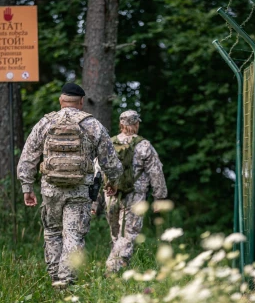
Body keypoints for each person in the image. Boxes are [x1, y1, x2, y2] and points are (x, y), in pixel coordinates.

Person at [17, 83, 123, 288]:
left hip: (50, 189)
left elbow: (28, 156)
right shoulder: (92, 125)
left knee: (53, 233)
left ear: (60, 100)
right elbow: (110, 161)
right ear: (81, 102)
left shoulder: (46, 123)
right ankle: (66, 281)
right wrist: (113, 182)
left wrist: (27, 187)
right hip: (80, 191)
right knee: (73, 234)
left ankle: (54, 277)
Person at [102, 110, 167, 273]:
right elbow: (156, 172)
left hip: (111, 196)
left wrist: (95, 201)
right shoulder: (144, 145)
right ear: (136, 124)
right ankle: (113, 268)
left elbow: (98, 173)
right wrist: (159, 197)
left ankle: (116, 271)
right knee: (128, 235)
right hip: (135, 197)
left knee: (116, 236)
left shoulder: (109, 144)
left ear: (121, 124)